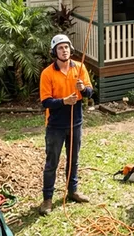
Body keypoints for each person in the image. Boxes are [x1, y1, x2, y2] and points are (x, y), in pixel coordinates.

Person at [38, 34, 93, 215]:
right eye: (60, 48)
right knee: (51, 162)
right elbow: (46, 102)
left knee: (74, 159)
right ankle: (47, 199)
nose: (64, 50)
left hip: (75, 122)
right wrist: (63, 101)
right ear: (54, 52)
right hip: (55, 125)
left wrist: (83, 89)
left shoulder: (80, 67)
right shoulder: (47, 73)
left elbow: (90, 92)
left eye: (66, 47)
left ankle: (73, 191)